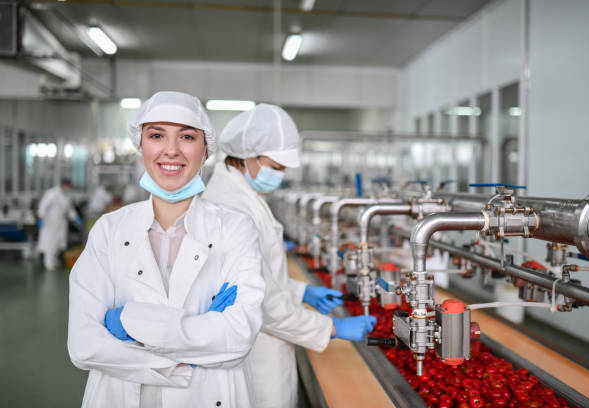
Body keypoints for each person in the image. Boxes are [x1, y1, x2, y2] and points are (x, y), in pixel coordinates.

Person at [67, 91, 265, 408]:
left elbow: (238, 337)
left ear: (205, 150)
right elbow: (83, 345)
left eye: (186, 137)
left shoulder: (235, 229)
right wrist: (191, 345)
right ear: (141, 146)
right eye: (157, 135)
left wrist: (129, 322)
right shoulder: (109, 230)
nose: (171, 151)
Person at [204, 103, 377, 408]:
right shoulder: (231, 205)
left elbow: (260, 278)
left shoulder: (241, 195)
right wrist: (333, 328)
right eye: (275, 166)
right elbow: (262, 302)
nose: (279, 175)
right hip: (254, 357)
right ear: (248, 156)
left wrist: (302, 291)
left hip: (265, 345)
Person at [37, 177, 81, 270]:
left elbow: (69, 209)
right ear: (64, 185)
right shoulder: (52, 193)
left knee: (59, 243)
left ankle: (54, 260)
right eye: (68, 186)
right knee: (50, 242)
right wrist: (41, 217)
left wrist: (75, 218)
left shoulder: (66, 195)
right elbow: (43, 205)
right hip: (50, 222)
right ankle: (48, 263)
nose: (68, 188)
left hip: (61, 222)